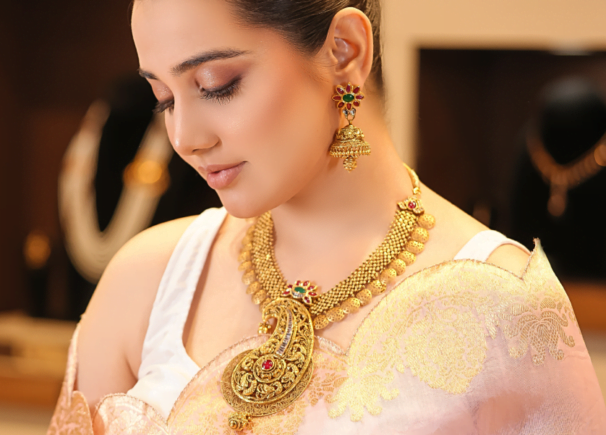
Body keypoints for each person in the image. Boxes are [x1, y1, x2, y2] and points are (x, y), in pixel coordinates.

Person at [48, 0, 606, 433]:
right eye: (165, 99)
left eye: (217, 86)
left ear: (344, 50)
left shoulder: (505, 311)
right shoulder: (147, 281)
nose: (186, 139)